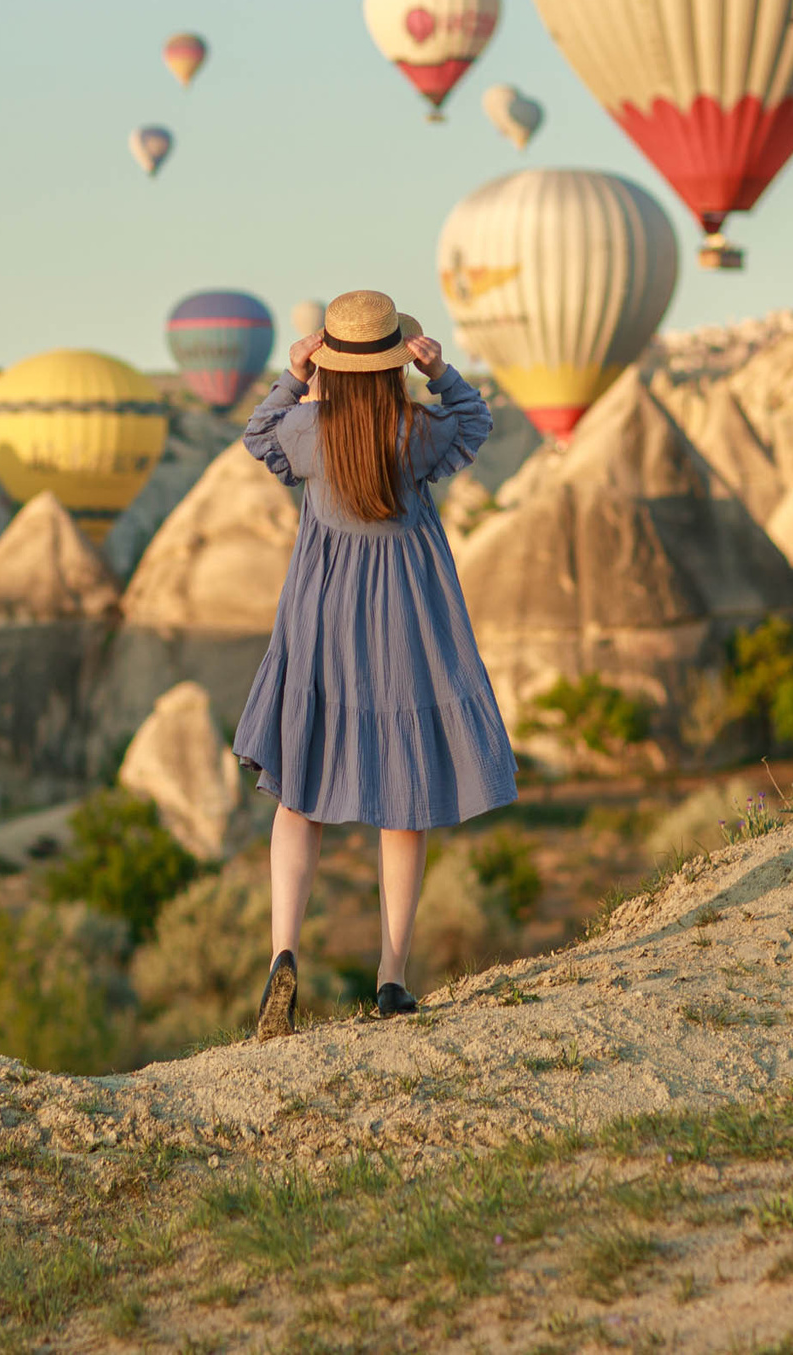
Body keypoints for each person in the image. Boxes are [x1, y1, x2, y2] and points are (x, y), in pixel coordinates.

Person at [233, 289, 518, 1039]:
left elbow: (257, 436)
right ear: (397, 363)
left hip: (322, 618)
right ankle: (391, 976)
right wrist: (443, 373)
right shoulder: (416, 430)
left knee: (299, 795)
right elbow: (476, 424)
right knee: (405, 797)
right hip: (404, 625)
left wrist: (294, 376)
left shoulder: (306, 430)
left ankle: (283, 952)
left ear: (330, 362)